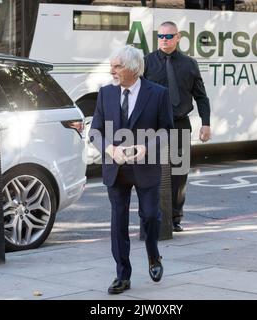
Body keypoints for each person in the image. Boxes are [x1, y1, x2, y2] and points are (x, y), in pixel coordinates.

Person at [90, 45, 174, 294]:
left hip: (146, 166)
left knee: (150, 216)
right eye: (112, 65)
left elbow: (167, 130)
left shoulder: (158, 94)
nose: (111, 70)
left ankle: (153, 255)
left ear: (134, 68)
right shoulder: (105, 93)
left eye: (117, 66)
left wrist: (146, 147)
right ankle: (122, 275)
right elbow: (95, 131)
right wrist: (109, 150)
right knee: (118, 221)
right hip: (115, 168)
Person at [144, 21, 211, 232]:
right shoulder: (146, 62)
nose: (164, 40)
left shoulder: (190, 64)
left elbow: (201, 96)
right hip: (154, 127)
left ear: (178, 37)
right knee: (151, 173)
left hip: (180, 124)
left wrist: (206, 123)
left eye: (169, 36)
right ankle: (152, 216)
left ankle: (174, 218)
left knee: (179, 174)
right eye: (161, 36)